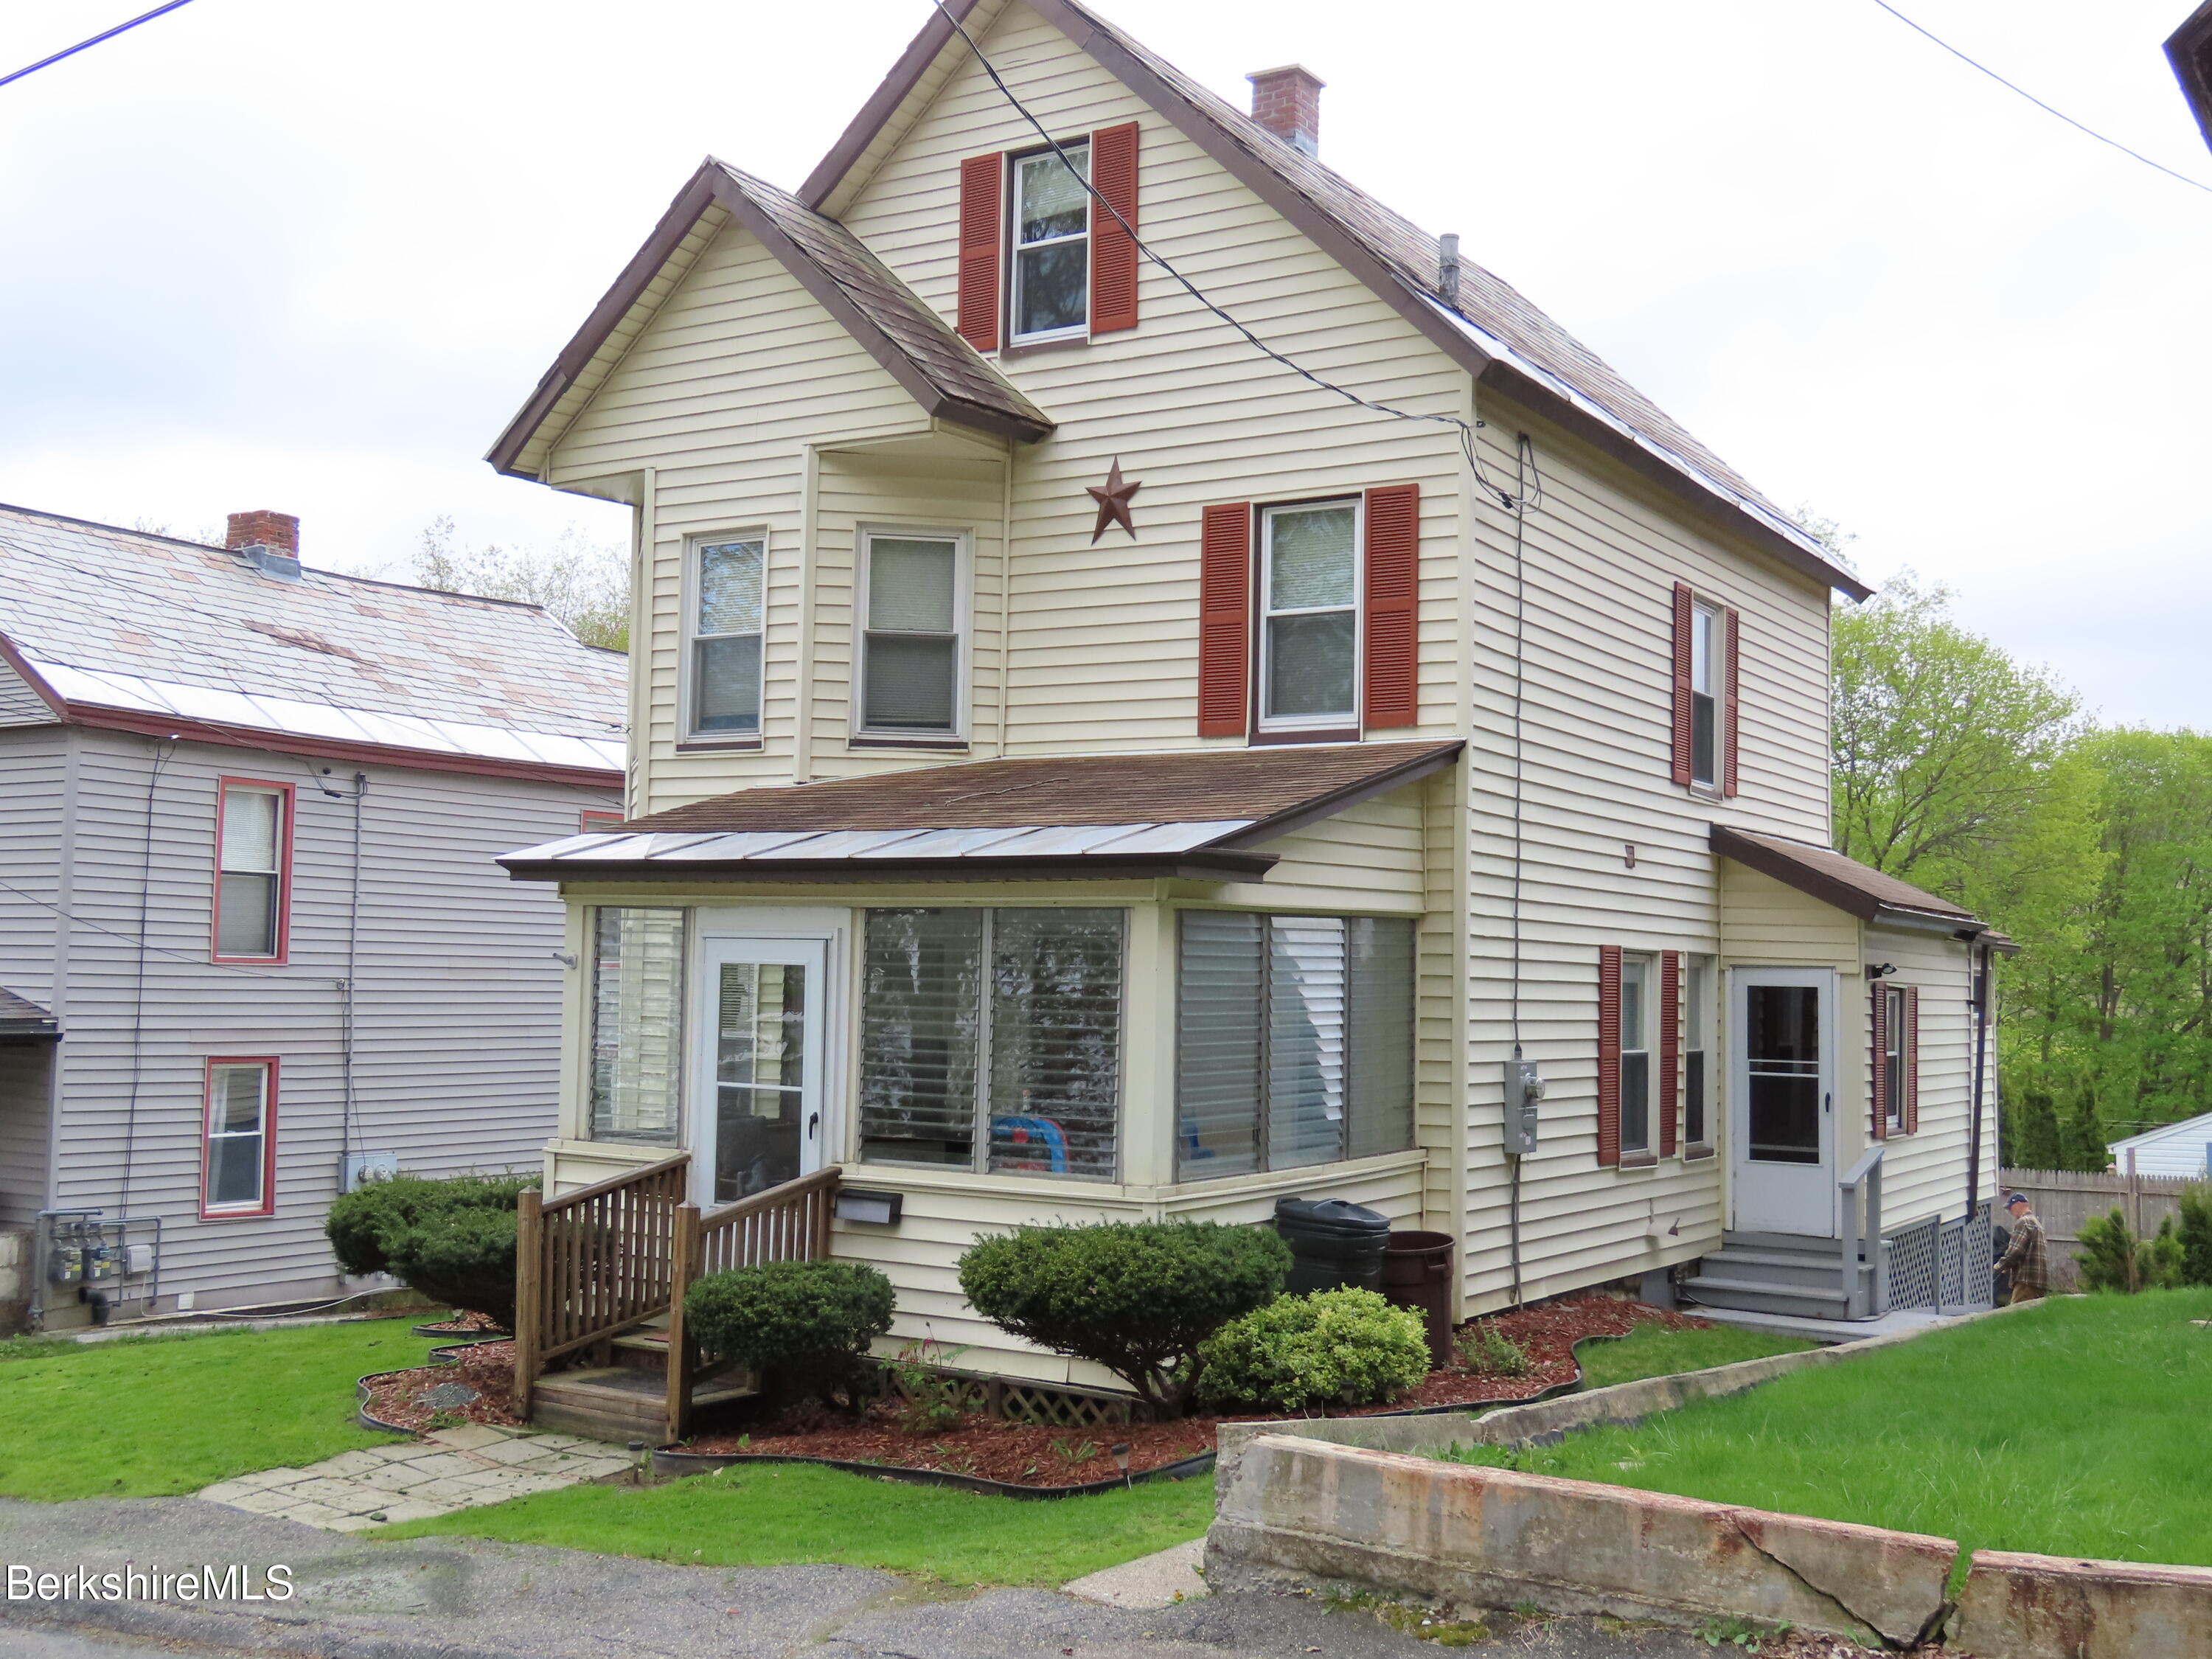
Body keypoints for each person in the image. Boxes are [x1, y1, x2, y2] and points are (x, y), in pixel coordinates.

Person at [1993, 1192, 2048, 1304]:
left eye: (2010, 1208)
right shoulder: (2036, 1223)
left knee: (2015, 1314)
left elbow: (2016, 1250)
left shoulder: (2023, 1222)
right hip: (2038, 1280)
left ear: (2018, 1204)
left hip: (2026, 1280)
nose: (2010, 1211)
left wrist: (1999, 1266)